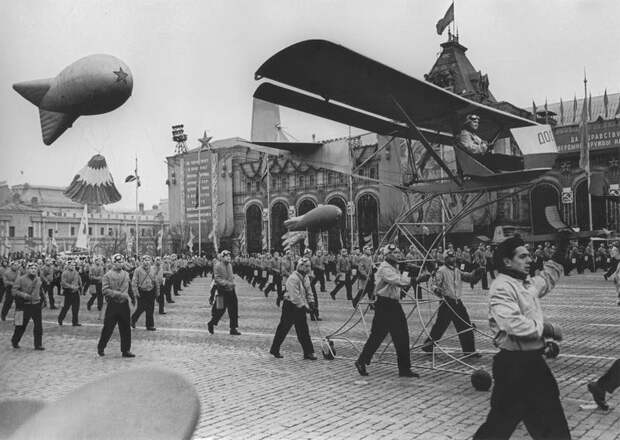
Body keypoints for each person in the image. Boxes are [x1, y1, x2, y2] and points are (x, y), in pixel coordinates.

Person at [473, 235, 570, 440]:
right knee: (497, 429)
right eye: (523, 256)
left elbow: (546, 278)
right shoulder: (501, 287)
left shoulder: (525, 284)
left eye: (529, 256)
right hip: (513, 369)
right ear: (507, 261)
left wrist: (561, 248)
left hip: (533, 365)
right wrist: (547, 330)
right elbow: (513, 324)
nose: (529, 260)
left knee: (553, 427)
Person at [354, 244, 419, 378]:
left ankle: (404, 369)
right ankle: (362, 360)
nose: (397, 254)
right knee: (377, 336)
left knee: (401, 336)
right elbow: (398, 281)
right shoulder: (384, 268)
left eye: (398, 252)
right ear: (387, 255)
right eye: (394, 252)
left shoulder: (394, 267)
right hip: (385, 305)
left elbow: (400, 283)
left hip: (393, 305)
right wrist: (415, 279)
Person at [422, 250, 484, 357]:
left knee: (465, 326)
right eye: (450, 258)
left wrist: (477, 273)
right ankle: (428, 345)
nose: (452, 259)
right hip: (447, 302)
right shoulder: (441, 271)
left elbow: (468, 277)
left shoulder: (457, 270)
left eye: (453, 257)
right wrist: (438, 291)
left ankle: (469, 351)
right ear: (445, 259)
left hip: (457, 302)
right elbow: (434, 285)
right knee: (440, 326)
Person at [269, 257, 317, 360]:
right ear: (300, 266)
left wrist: (312, 302)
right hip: (290, 306)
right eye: (307, 266)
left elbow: (309, 291)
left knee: (303, 330)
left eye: (309, 266)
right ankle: (274, 349)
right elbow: (295, 296)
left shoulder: (305, 277)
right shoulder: (293, 278)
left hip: (299, 305)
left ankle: (308, 352)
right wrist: (304, 307)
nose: (309, 268)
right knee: (283, 329)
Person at [97, 254, 134, 358]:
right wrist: (118, 294)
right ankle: (101, 347)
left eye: (122, 262)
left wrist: (133, 297)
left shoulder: (126, 274)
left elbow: (129, 287)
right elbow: (104, 290)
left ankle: (126, 350)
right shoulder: (107, 275)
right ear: (113, 263)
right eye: (118, 262)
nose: (120, 263)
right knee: (108, 328)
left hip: (124, 304)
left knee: (126, 328)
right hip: (113, 304)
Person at [11, 262, 46, 350]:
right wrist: (24, 295)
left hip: (36, 305)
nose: (33, 270)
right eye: (31, 268)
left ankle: (38, 345)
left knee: (38, 326)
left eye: (35, 268)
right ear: (27, 269)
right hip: (25, 306)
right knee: (21, 326)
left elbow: (41, 291)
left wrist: (45, 300)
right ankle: (15, 341)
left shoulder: (38, 279)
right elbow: (14, 291)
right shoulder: (21, 279)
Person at [207, 250, 240, 336]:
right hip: (222, 290)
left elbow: (231, 276)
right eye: (227, 256)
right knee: (220, 310)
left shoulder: (229, 265)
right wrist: (227, 283)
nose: (229, 257)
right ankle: (211, 323)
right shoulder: (217, 266)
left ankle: (233, 328)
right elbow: (217, 278)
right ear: (222, 257)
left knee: (233, 309)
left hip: (231, 290)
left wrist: (232, 281)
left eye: (229, 256)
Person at [131, 255, 159, 331]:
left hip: (151, 291)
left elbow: (156, 281)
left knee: (150, 309)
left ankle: (150, 325)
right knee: (140, 308)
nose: (146, 262)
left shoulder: (153, 270)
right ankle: (133, 319)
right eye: (144, 260)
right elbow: (134, 282)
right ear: (142, 261)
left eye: (148, 260)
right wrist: (136, 292)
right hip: (141, 291)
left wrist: (157, 293)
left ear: (150, 261)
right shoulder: (137, 270)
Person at [58, 260, 82, 326]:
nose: (73, 266)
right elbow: (63, 283)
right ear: (68, 266)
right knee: (65, 307)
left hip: (75, 292)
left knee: (76, 308)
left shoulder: (76, 273)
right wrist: (71, 287)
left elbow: (78, 281)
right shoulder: (64, 273)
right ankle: (60, 319)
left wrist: (79, 288)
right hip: (68, 292)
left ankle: (75, 322)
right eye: (71, 265)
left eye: (74, 265)